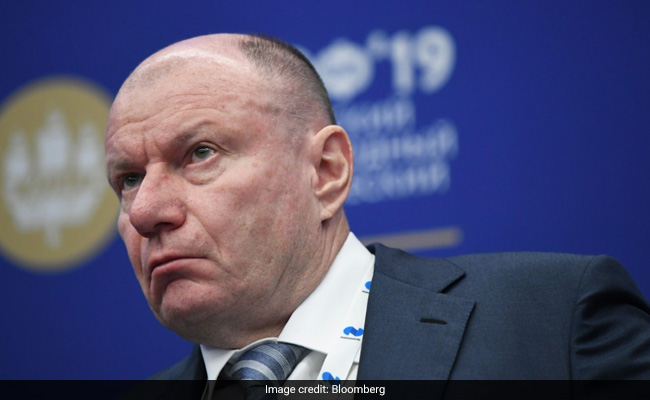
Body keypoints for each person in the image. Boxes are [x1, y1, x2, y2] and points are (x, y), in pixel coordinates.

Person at [104, 33, 650, 393]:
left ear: (326, 171)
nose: (146, 211)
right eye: (129, 179)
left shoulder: (552, 321)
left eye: (199, 153)